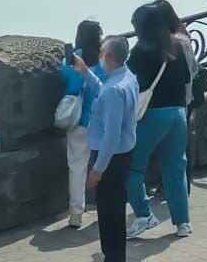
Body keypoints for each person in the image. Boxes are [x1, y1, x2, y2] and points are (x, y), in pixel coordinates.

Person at [122, 4, 191, 240]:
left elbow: (125, 78)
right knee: (175, 168)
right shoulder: (177, 44)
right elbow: (186, 77)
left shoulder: (141, 50)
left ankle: (143, 215)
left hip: (152, 114)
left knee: (132, 168)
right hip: (178, 113)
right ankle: (183, 223)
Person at [71, 34, 138, 262]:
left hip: (110, 156)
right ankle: (114, 254)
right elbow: (103, 88)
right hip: (124, 152)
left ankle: (114, 256)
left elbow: (112, 134)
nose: (99, 55)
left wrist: (98, 168)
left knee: (109, 211)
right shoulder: (127, 77)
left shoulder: (113, 90)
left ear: (108, 56)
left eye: (101, 52)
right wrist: (85, 72)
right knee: (116, 206)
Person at [151, 0, 200, 199]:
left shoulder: (171, 43)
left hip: (173, 99)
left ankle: (173, 187)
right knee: (179, 146)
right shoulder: (184, 39)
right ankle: (180, 186)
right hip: (185, 97)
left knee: (170, 147)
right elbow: (194, 69)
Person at [59, 20, 106, 229]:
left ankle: (75, 214)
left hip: (77, 121)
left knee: (76, 168)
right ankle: (107, 207)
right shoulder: (105, 58)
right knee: (105, 164)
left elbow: (65, 80)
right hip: (101, 120)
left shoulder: (69, 59)